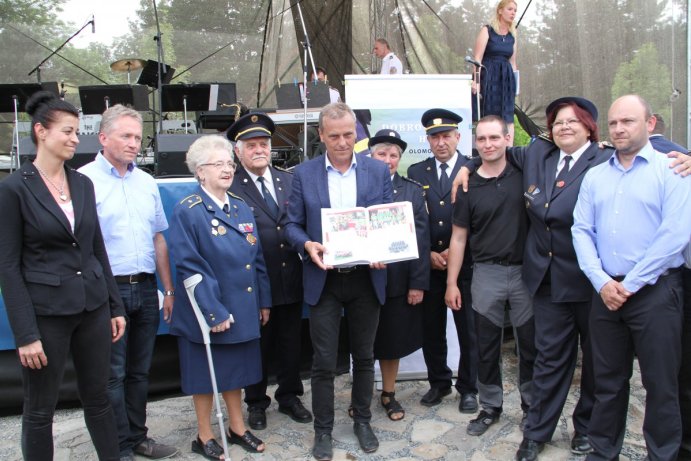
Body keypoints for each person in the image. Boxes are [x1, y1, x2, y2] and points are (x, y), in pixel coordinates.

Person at [0, 91, 126, 460]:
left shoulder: (83, 183)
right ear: (41, 131)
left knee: (99, 398)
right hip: (47, 314)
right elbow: (8, 265)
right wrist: (25, 335)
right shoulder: (13, 189)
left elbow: (96, 249)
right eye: (68, 131)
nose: (75, 139)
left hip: (93, 308)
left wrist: (114, 306)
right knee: (40, 409)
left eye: (77, 132)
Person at [572, 94, 691, 461]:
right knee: (606, 384)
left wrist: (630, 284)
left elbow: (674, 235)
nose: (620, 129)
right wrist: (603, 282)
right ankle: (602, 452)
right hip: (606, 293)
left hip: (656, 293)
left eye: (629, 121)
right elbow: (580, 230)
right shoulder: (595, 176)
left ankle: (663, 455)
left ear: (650, 124)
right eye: (614, 123)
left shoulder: (673, 170)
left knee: (661, 385)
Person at [284, 102, 392, 461]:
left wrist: (384, 248)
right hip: (324, 280)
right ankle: (323, 431)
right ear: (321, 136)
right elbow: (292, 224)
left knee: (364, 356)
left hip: (366, 278)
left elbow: (388, 219)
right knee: (323, 362)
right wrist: (306, 244)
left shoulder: (378, 171)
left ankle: (362, 420)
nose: (343, 142)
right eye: (335, 136)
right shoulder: (304, 174)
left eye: (349, 134)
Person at [79, 105, 178, 461]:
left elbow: (159, 239)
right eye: (126, 136)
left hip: (147, 288)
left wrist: (168, 289)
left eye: (138, 137)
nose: (134, 143)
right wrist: (103, 298)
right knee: (114, 375)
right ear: (103, 138)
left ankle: (138, 437)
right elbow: (83, 247)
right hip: (110, 292)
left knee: (139, 372)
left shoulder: (147, 182)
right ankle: (117, 446)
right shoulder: (83, 181)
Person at [169, 135, 271, 458]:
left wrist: (263, 300)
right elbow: (189, 266)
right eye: (218, 164)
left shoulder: (240, 207)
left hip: (241, 306)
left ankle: (237, 427)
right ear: (200, 172)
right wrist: (213, 313)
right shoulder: (189, 211)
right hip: (207, 311)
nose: (227, 169)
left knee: (236, 372)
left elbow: (256, 260)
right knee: (204, 376)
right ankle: (203, 434)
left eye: (229, 163)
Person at [445, 115, 535, 437]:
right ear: (475, 142)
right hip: (486, 273)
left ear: (508, 138)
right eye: (481, 139)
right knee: (485, 347)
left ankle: (531, 407)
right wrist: (452, 282)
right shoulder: (467, 185)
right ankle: (490, 407)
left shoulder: (525, 173)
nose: (488, 144)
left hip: (526, 273)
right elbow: (458, 237)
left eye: (494, 138)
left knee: (529, 345)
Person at [227, 113, 313, 430]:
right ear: (238, 151)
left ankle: (290, 397)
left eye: (263, 143)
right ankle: (256, 402)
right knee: (258, 346)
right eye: (251, 145)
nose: (259, 149)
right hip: (253, 285)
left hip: (290, 279)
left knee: (291, 343)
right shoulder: (231, 186)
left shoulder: (289, 181)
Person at [407, 108, 479, 413]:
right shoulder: (416, 172)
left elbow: (484, 217)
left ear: (458, 137)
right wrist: (428, 255)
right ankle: (439, 382)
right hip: (431, 264)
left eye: (446, 136)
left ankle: (469, 387)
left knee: (469, 330)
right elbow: (412, 221)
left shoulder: (473, 169)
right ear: (427, 139)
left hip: (465, 265)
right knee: (431, 329)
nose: (440, 142)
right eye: (434, 137)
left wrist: (456, 251)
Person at [369, 129, 430, 421]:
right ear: (371, 155)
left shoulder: (412, 191)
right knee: (362, 339)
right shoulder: (357, 186)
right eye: (382, 153)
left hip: (396, 281)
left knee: (391, 340)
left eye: (394, 155)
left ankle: (389, 394)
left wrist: (417, 283)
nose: (388, 160)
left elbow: (421, 240)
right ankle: (360, 393)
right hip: (362, 280)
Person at [472, 0, 518, 141]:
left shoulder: (513, 35)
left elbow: (513, 63)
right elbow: (477, 58)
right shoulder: (487, 30)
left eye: (515, 10)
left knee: (508, 115)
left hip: (506, 78)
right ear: (500, 10)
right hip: (489, 76)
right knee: (488, 113)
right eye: (510, 9)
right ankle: (487, 145)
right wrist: (476, 81)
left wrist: (516, 87)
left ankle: (509, 152)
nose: (513, 13)